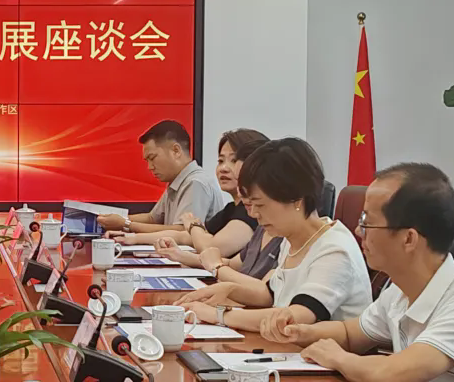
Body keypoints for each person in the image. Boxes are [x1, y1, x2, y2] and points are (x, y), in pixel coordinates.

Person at [263, 163, 454, 382]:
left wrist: (337, 358)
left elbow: (392, 377)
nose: (358, 231)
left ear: (409, 239)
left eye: (367, 222)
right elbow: (351, 334)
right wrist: (300, 331)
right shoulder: (400, 290)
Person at [176, 138, 371, 332]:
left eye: (260, 205)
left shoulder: (334, 249)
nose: (254, 214)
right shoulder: (293, 238)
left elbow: (295, 317)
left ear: (296, 199)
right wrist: (229, 289)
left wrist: (219, 315)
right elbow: (270, 293)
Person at [116, 131, 269, 262]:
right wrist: (133, 238)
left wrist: (193, 227)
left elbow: (211, 248)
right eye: (220, 161)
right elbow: (184, 236)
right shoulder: (231, 209)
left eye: (234, 160)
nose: (223, 168)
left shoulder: (249, 212)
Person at [96, 120, 224, 235]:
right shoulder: (177, 181)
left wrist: (126, 224)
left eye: (152, 158)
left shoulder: (196, 183)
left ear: (176, 151)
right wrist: (115, 219)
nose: (150, 167)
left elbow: (183, 231)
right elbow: (153, 218)